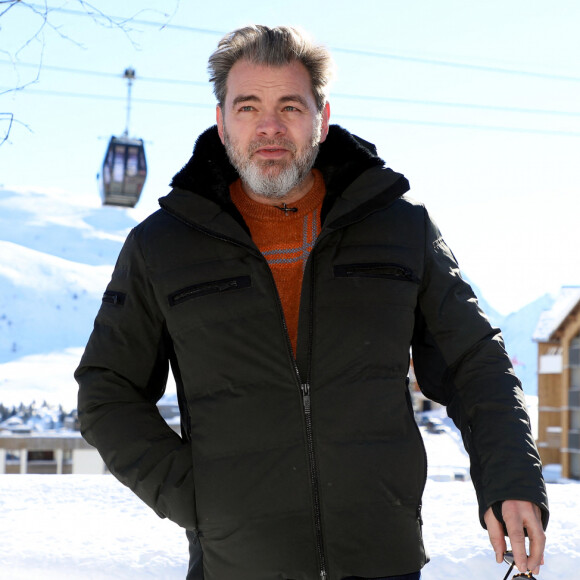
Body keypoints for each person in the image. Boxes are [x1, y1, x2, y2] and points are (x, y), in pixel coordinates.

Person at [75, 25, 548, 580]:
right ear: (222, 121)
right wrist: (200, 500)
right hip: (236, 566)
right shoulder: (162, 246)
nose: (269, 126)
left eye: (290, 106)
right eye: (248, 106)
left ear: (322, 119)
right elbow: (107, 392)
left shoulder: (399, 228)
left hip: (382, 561)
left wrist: (511, 477)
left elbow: (476, 363)